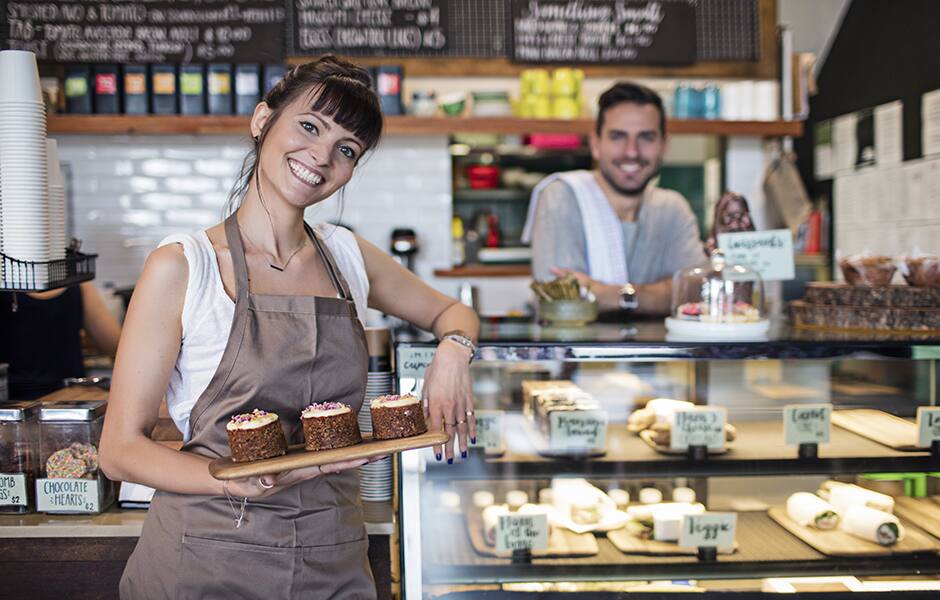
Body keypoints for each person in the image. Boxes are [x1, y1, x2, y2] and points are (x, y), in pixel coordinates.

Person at [99, 56, 479, 599]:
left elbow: (454, 313)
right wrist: (231, 477)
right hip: (208, 557)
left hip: (332, 556)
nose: (321, 157)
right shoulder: (184, 265)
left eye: (347, 149)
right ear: (262, 121)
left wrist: (453, 352)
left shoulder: (348, 256)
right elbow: (119, 450)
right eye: (309, 126)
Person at [522, 82, 705, 316]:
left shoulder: (672, 209)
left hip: (664, 353)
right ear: (596, 144)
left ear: (664, 146)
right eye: (618, 137)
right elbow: (563, 303)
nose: (632, 152)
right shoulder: (562, 196)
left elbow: (695, 293)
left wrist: (608, 294)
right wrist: (660, 293)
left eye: (646, 137)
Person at [0, 282, 121, 400]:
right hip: (71, 398)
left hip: (15, 401)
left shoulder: (6, 282)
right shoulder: (78, 281)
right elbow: (113, 346)